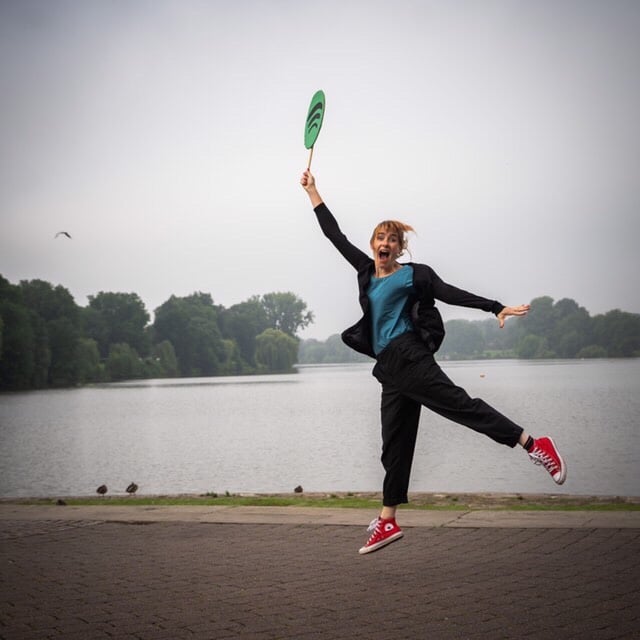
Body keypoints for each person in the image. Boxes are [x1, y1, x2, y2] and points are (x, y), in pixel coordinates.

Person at [300, 169, 567, 555]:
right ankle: (387, 520)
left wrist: (494, 307)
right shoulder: (365, 272)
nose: (385, 243)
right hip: (389, 370)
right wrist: (313, 191)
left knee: (460, 407)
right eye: (380, 237)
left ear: (401, 248)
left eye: (393, 239)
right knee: (394, 446)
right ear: (373, 244)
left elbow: (449, 293)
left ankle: (534, 444)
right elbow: (333, 234)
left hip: (411, 356)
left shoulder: (413, 276)